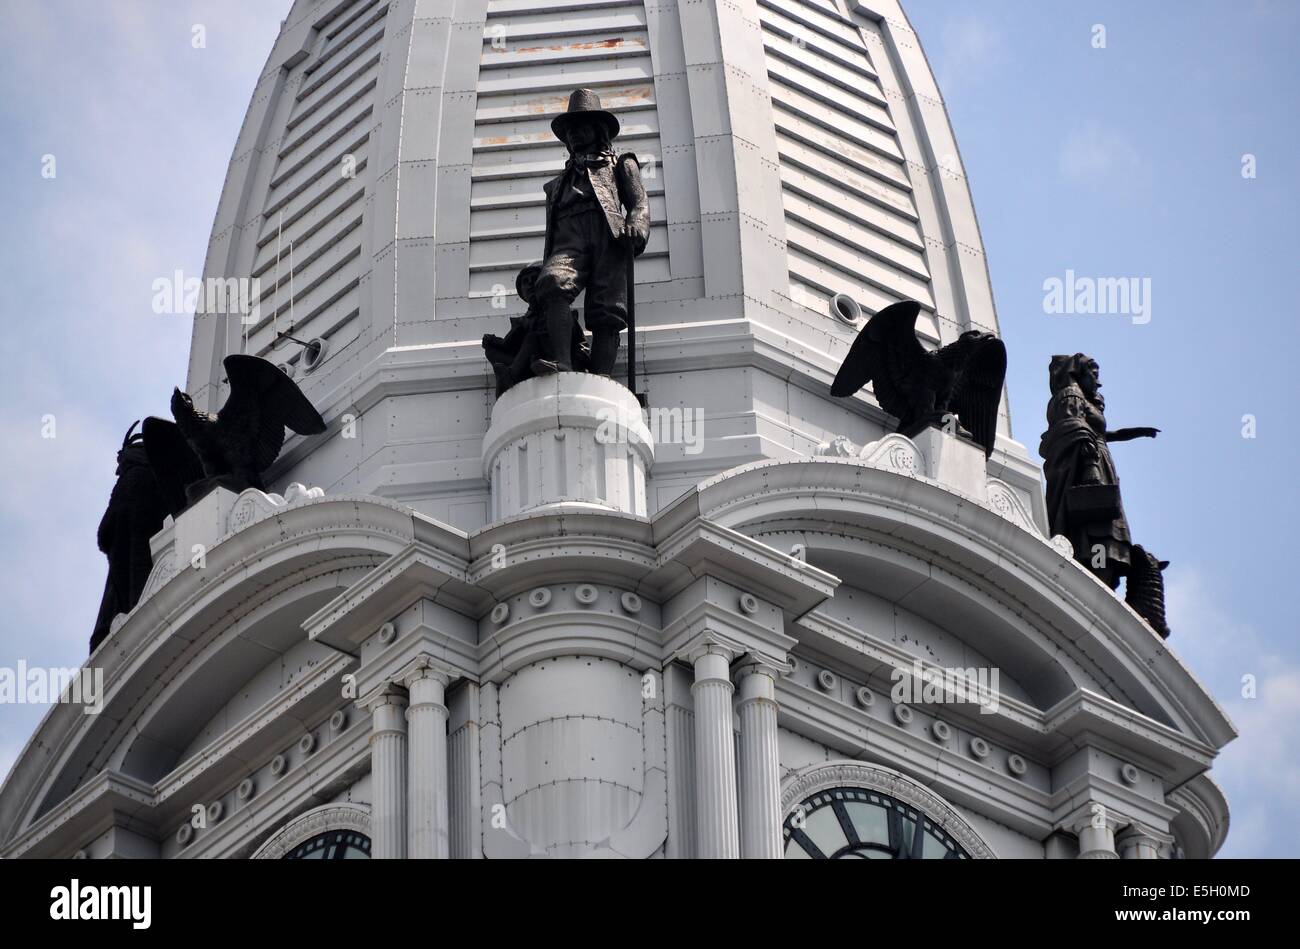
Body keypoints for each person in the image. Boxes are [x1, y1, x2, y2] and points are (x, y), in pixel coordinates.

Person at [531, 88, 650, 377]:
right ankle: (563, 361)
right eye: (569, 131)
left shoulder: (621, 164)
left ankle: (601, 377)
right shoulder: (559, 182)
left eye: (579, 127)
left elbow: (639, 203)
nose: (573, 135)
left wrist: (637, 224)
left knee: (607, 311)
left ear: (597, 130)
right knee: (552, 281)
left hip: (609, 237)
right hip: (570, 238)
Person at [1039, 354, 1159, 589]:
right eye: (1092, 372)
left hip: (1100, 461)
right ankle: (1091, 567)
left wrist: (1136, 432)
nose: (1097, 379)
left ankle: (1102, 573)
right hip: (1088, 466)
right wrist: (1090, 462)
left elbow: (1102, 434)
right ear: (1078, 373)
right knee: (1095, 523)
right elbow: (1072, 427)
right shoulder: (1071, 395)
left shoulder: (1085, 400)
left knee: (1107, 524)